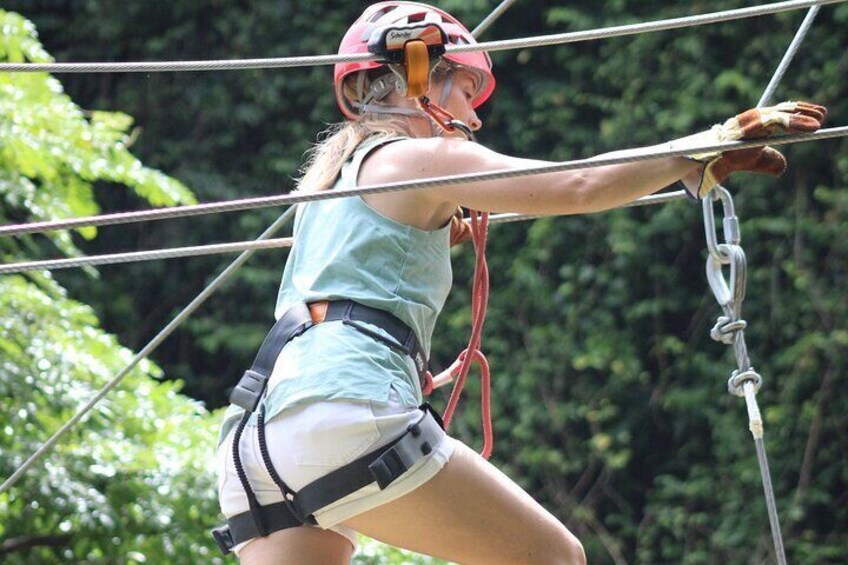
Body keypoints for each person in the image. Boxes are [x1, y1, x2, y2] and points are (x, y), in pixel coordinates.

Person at [214, 2, 826, 564]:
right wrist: (700, 147)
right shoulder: (413, 158)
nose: (474, 114)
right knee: (555, 559)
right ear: (421, 74)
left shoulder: (328, 190)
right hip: (341, 409)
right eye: (468, 90)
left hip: (255, 439)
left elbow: (362, 276)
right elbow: (578, 184)